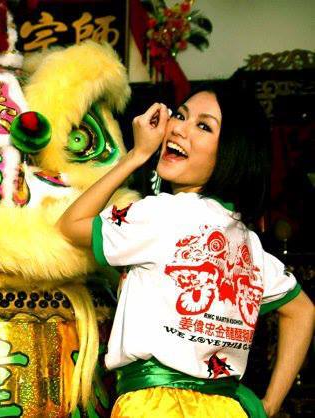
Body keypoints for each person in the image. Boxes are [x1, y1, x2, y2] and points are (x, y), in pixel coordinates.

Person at [57, 81, 314, 418]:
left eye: (204, 126)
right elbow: (302, 309)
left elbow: (70, 224)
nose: (178, 128)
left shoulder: (160, 215)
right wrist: (269, 404)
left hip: (156, 407)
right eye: (180, 115)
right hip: (228, 409)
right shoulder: (249, 244)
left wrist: (136, 155)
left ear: (231, 152)